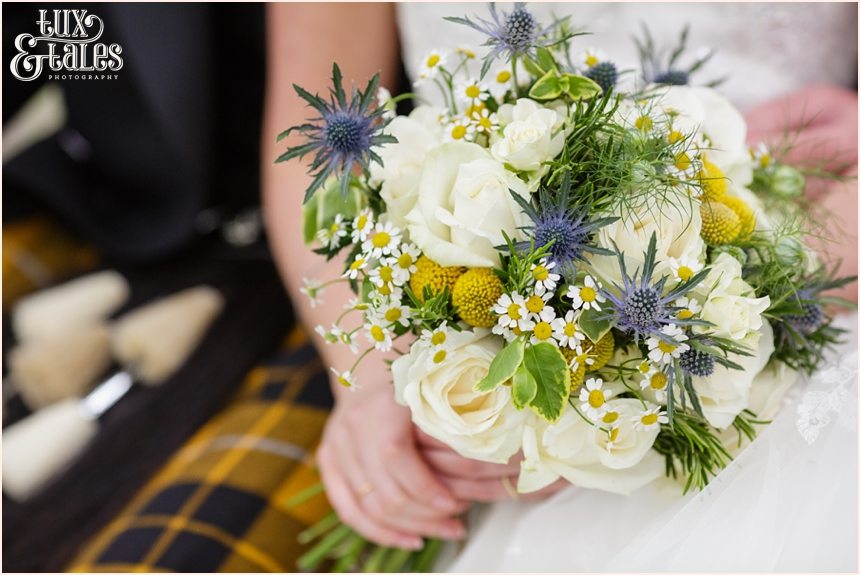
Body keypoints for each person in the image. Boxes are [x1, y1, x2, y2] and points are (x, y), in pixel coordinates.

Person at [262, 2, 857, 569]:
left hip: (801, 272)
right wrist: (375, 379)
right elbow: (316, 125)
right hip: (442, 288)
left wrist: (758, 272)